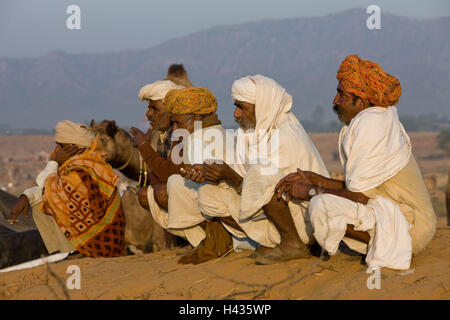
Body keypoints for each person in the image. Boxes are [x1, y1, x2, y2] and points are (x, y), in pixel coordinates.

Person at [276, 54, 436, 270]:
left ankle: (386, 245)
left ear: (359, 101)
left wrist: (311, 190)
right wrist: (313, 178)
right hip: (397, 212)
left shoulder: (371, 127)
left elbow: (359, 197)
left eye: (341, 94)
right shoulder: (375, 119)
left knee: (319, 205)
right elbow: (361, 189)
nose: (335, 100)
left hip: (412, 227)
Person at [196, 74, 330, 264]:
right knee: (208, 194)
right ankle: (269, 240)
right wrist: (211, 172)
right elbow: (241, 172)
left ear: (263, 107)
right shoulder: (252, 133)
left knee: (261, 173)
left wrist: (230, 177)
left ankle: (293, 243)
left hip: (307, 220)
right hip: (278, 213)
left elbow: (264, 186)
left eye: (241, 107)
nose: (235, 114)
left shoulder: (285, 135)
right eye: (236, 106)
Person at [134, 86, 234, 264]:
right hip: (219, 201)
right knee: (169, 186)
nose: (148, 114)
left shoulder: (197, 138)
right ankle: (211, 238)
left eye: (154, 108)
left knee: (175, 186)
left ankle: (220, 237)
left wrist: (144, 148)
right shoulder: (186, 134)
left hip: (228, 203)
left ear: (195, 118)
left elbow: (170, 175)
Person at [9, 120, 126, 258]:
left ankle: (71, 254)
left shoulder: (80, 171)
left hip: (98, 244)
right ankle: (59, 254)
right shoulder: (90, 164)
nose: (56, 151)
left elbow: (47, 187)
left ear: (77, 148)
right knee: (40, 203)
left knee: (52, 202)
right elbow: (48, 189)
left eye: (61, 146)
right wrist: (26, 196)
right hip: (103, 239)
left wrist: (54, 161)